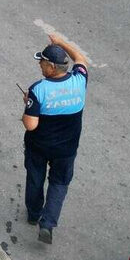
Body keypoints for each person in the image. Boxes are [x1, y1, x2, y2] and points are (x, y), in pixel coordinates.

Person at [22, 33, 89, 245]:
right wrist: (60, 43)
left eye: (42, 62)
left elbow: (30, 124)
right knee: (59, 183)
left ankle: (33, 215)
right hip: (66, 150)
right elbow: (81, 59)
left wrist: (28, 104)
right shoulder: (80, 80)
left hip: (39, 147)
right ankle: (48, 224)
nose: (40, 65)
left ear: (51, 66)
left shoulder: (38, 90)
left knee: (35, 179)